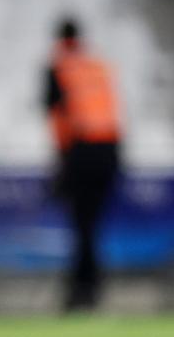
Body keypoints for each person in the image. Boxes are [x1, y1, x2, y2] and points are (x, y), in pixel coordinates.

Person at [45, 17, 121, 312]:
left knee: (81, 224)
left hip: (79, 152)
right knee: (93, 224)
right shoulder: (97, 66)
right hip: (109, 150)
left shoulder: (58, 68)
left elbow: (56, 118)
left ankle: (81, 291)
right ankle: (90, 286)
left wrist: (62, 164)